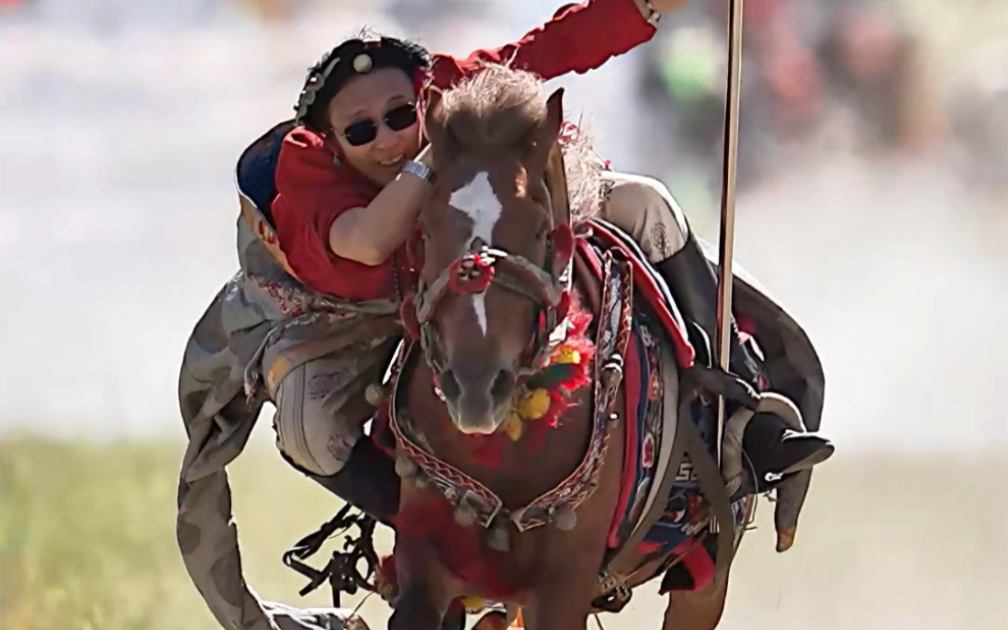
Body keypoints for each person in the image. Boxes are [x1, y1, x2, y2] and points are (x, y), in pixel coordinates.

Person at [176, 1, 833, 628]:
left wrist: (648, 5)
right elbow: (368, 242)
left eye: (401, 114)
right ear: (329, 142)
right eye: (360, 131)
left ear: (423, 97)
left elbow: (550, 48)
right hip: (354, 316)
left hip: (497, 243)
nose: (386, 139)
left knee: (650, 202)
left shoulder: (454, 94)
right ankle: (420, 524)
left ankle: (733, 408)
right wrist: (438, 145)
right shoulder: (305, 172)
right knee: (306, 426)